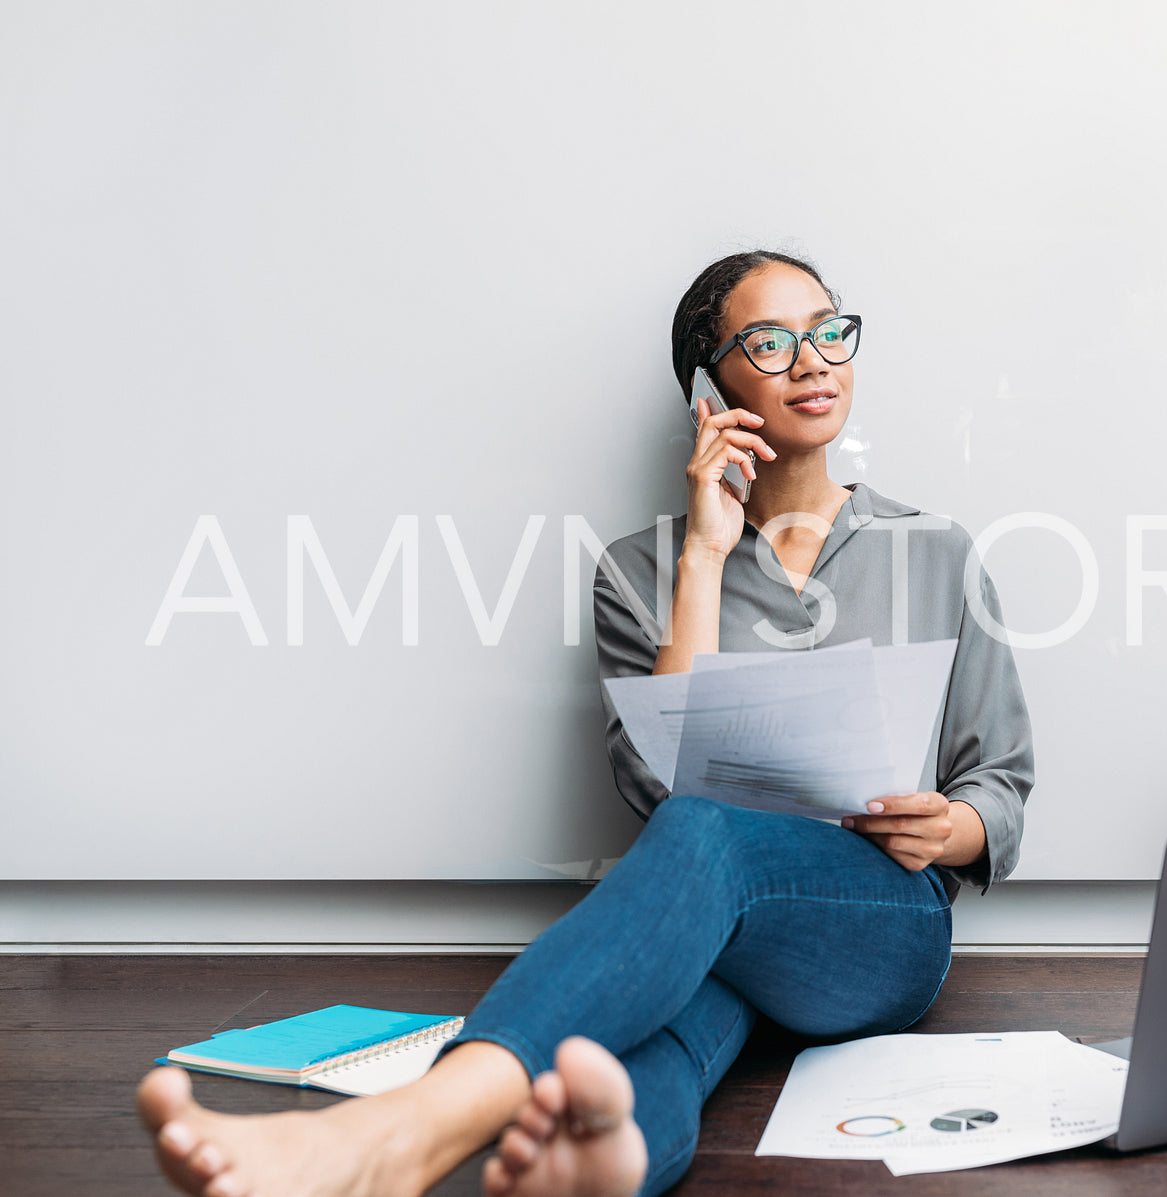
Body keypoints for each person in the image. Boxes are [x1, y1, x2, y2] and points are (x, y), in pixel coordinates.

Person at [135, 249, 1034, 1197]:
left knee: (706, 841)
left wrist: (950, 824)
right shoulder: (635, 571)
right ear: (708, 386)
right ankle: (592, 1171)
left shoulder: (936, 549)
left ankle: (408, 1128)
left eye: (825, 331)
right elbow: (658, 786)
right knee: (646, 1056)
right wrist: (703, 555)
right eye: (769, 343)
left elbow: (1000, 786)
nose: (811, 359)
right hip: (709, 927)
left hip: (870, 928)